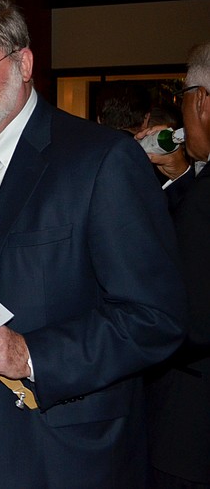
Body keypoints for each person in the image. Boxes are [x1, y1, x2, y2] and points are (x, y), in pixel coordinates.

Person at [0, 0, 186, 488]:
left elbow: (156, 318)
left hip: (58, 456)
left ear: (23, 64)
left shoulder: (102, 160)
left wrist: (29, 354)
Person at [145, 41, 210, 488]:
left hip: (191, 424)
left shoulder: (203, 204)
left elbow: (188, 323)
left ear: (201, 100)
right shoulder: (197, 186)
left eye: (183, 95)